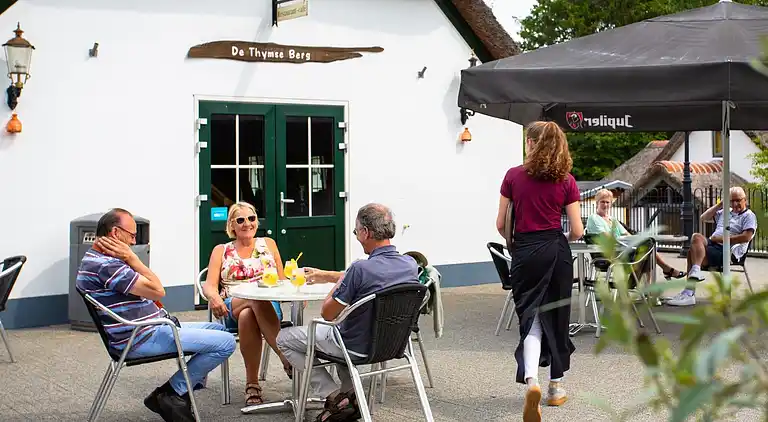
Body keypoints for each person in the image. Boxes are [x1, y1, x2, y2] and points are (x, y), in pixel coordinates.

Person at [76, 208, 236, 422]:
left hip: (148, 328)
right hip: (140, 337)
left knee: (219, 329)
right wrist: (133, 259)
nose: (134, 241)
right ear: (115, 233)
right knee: (226, 342)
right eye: (132, 235)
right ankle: (172, 393)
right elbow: (158, 291)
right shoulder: (108, 266)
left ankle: (181, 393)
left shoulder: (94, 258)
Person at [277, 203, 419, 422]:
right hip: (392, 346)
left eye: (356, 231)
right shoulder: (409, 264)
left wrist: (340, 283)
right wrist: (336, 276)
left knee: (284, 338)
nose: (357, 236)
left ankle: (334, 395)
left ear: (366, 232)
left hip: (354, 347)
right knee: (343, 330)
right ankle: (352, 396)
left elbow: (327, 313)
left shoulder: (360, 268)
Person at [495, 121, 583, 422]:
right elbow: (577, 230)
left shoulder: (513, 176)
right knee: (557, 319)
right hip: (556, 252)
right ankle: (555, 387)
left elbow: (501, 224)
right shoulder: (566, 180)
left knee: (530, 319)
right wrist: (559, 240)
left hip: (525, 252)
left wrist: (518, 243)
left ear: (531, 143)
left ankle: (531, 381)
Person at [201, 201, 293, 406]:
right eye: (240, 220)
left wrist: (298, 289)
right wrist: (214, 298)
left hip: (268, 305)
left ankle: (252, 384)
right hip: (231, 304)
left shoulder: (268, 244)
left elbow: (282, 280)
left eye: (251, 218)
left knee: (249, 313)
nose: (247, 224)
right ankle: (285, 356)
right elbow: (209, 285)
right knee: (253, 299)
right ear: (232, 225)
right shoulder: (221, 250)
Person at [667, 186, 757, 307]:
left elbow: (746, 237)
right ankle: (695, 274)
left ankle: (689, 292)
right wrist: (720, 205)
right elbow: (703, 218)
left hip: (728, 251)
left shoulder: (749, 216)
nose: (735, 204)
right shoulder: (725, 212)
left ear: (745, 200)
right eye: (731, 201)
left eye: (738, 200)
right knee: (696, 237)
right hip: (713, 244)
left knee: (691, 252)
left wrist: (719, 239)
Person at [586, 188, 684, 280]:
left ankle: (650, 281)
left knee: (648, 247)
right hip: (610, 254)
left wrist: (636, 240)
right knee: (647, 249)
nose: (605, 204)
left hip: (622, 250)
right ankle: (662, 272)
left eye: (607, 202)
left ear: (611, 204)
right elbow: (607, 237)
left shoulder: (612, 219)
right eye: (602, 202)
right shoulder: (594, 218)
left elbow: (626, 234)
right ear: (597, 203)